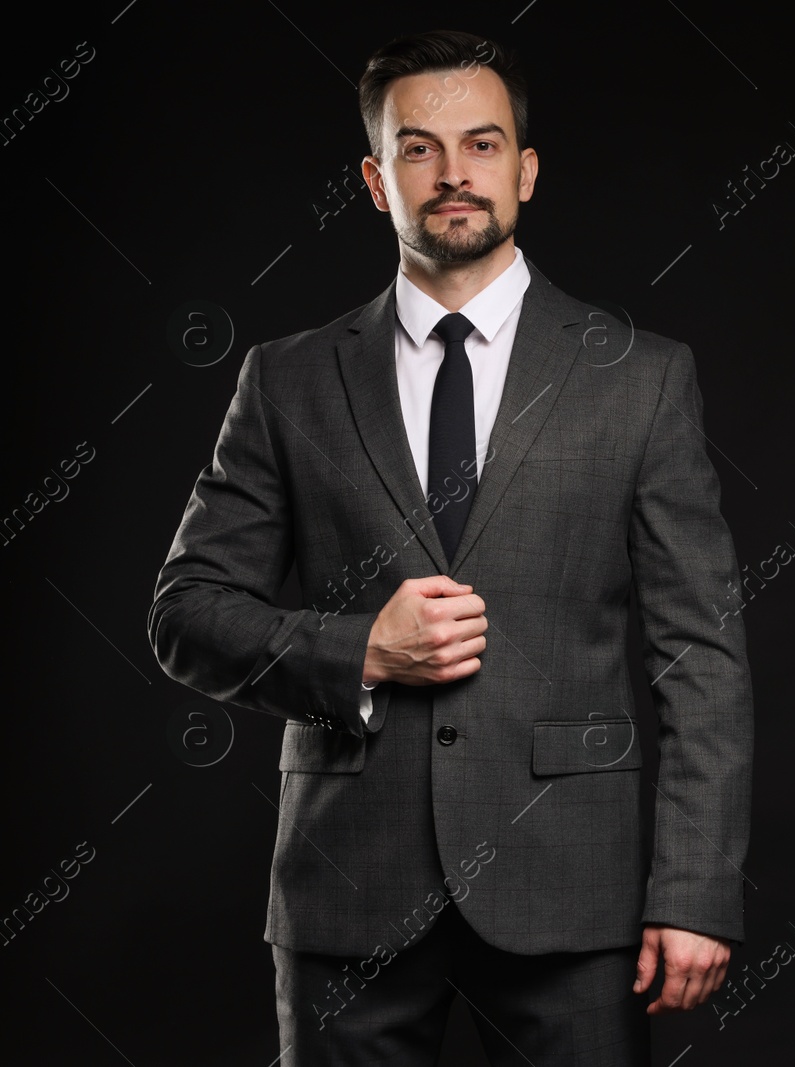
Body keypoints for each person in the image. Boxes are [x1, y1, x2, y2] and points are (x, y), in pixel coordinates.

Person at [147, 28, 754, 1066]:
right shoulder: (286, 381)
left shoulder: (639, 377)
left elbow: (700, 651)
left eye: (480, 143)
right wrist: (358, 650)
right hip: (346, 891)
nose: (453, 173)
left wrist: (694, 890)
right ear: (377, 181)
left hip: (573, 891)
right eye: (419, 149)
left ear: (524, 170)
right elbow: (188, 612)